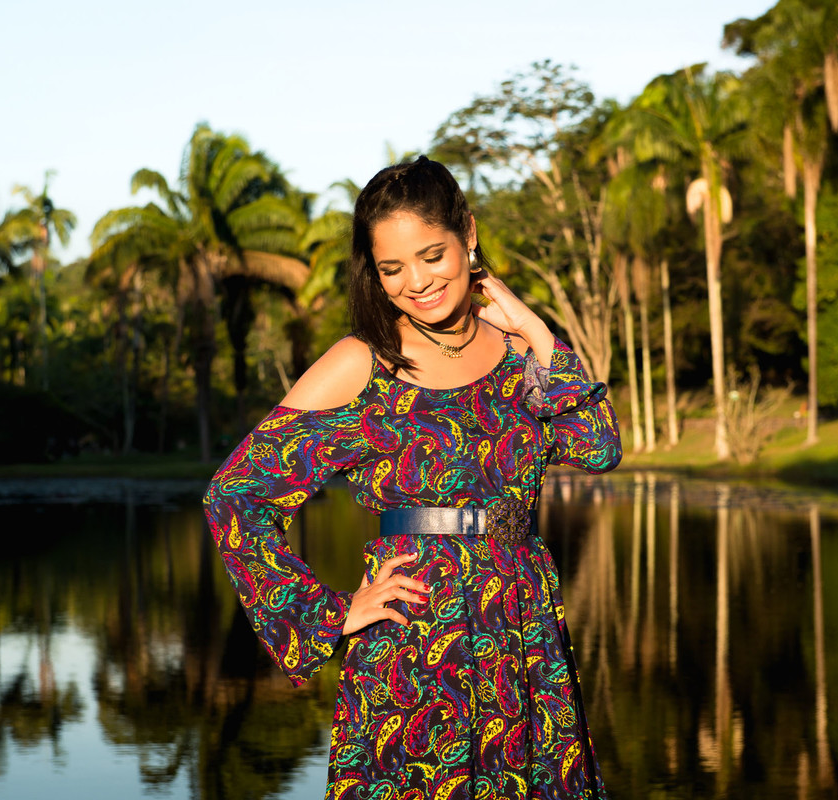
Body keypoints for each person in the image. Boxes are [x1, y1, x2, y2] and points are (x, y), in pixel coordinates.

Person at [204, 156, 622, 799]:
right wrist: (331, 612)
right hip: (418, 641)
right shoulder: (363, 364)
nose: (417, 282)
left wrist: (536, 331)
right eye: (392, 268)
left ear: (467, 235)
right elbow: (235, 498)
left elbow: (597, 447)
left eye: (432, 256)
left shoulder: (520, 354)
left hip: (523, 630)